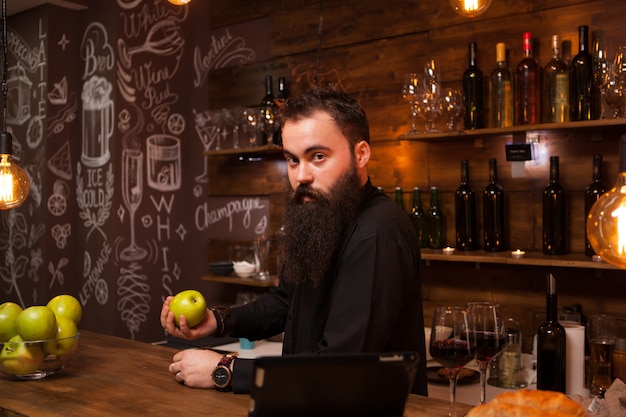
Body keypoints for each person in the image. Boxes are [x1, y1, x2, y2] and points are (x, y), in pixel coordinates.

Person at [160, 86, 428, 396]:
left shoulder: (379, 234)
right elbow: (285, 301)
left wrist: (227, 369)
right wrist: (218, 321)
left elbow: (341, 369)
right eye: (292, 159)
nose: (301, 176)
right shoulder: (326, 216)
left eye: (317, 157)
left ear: (361, 154)